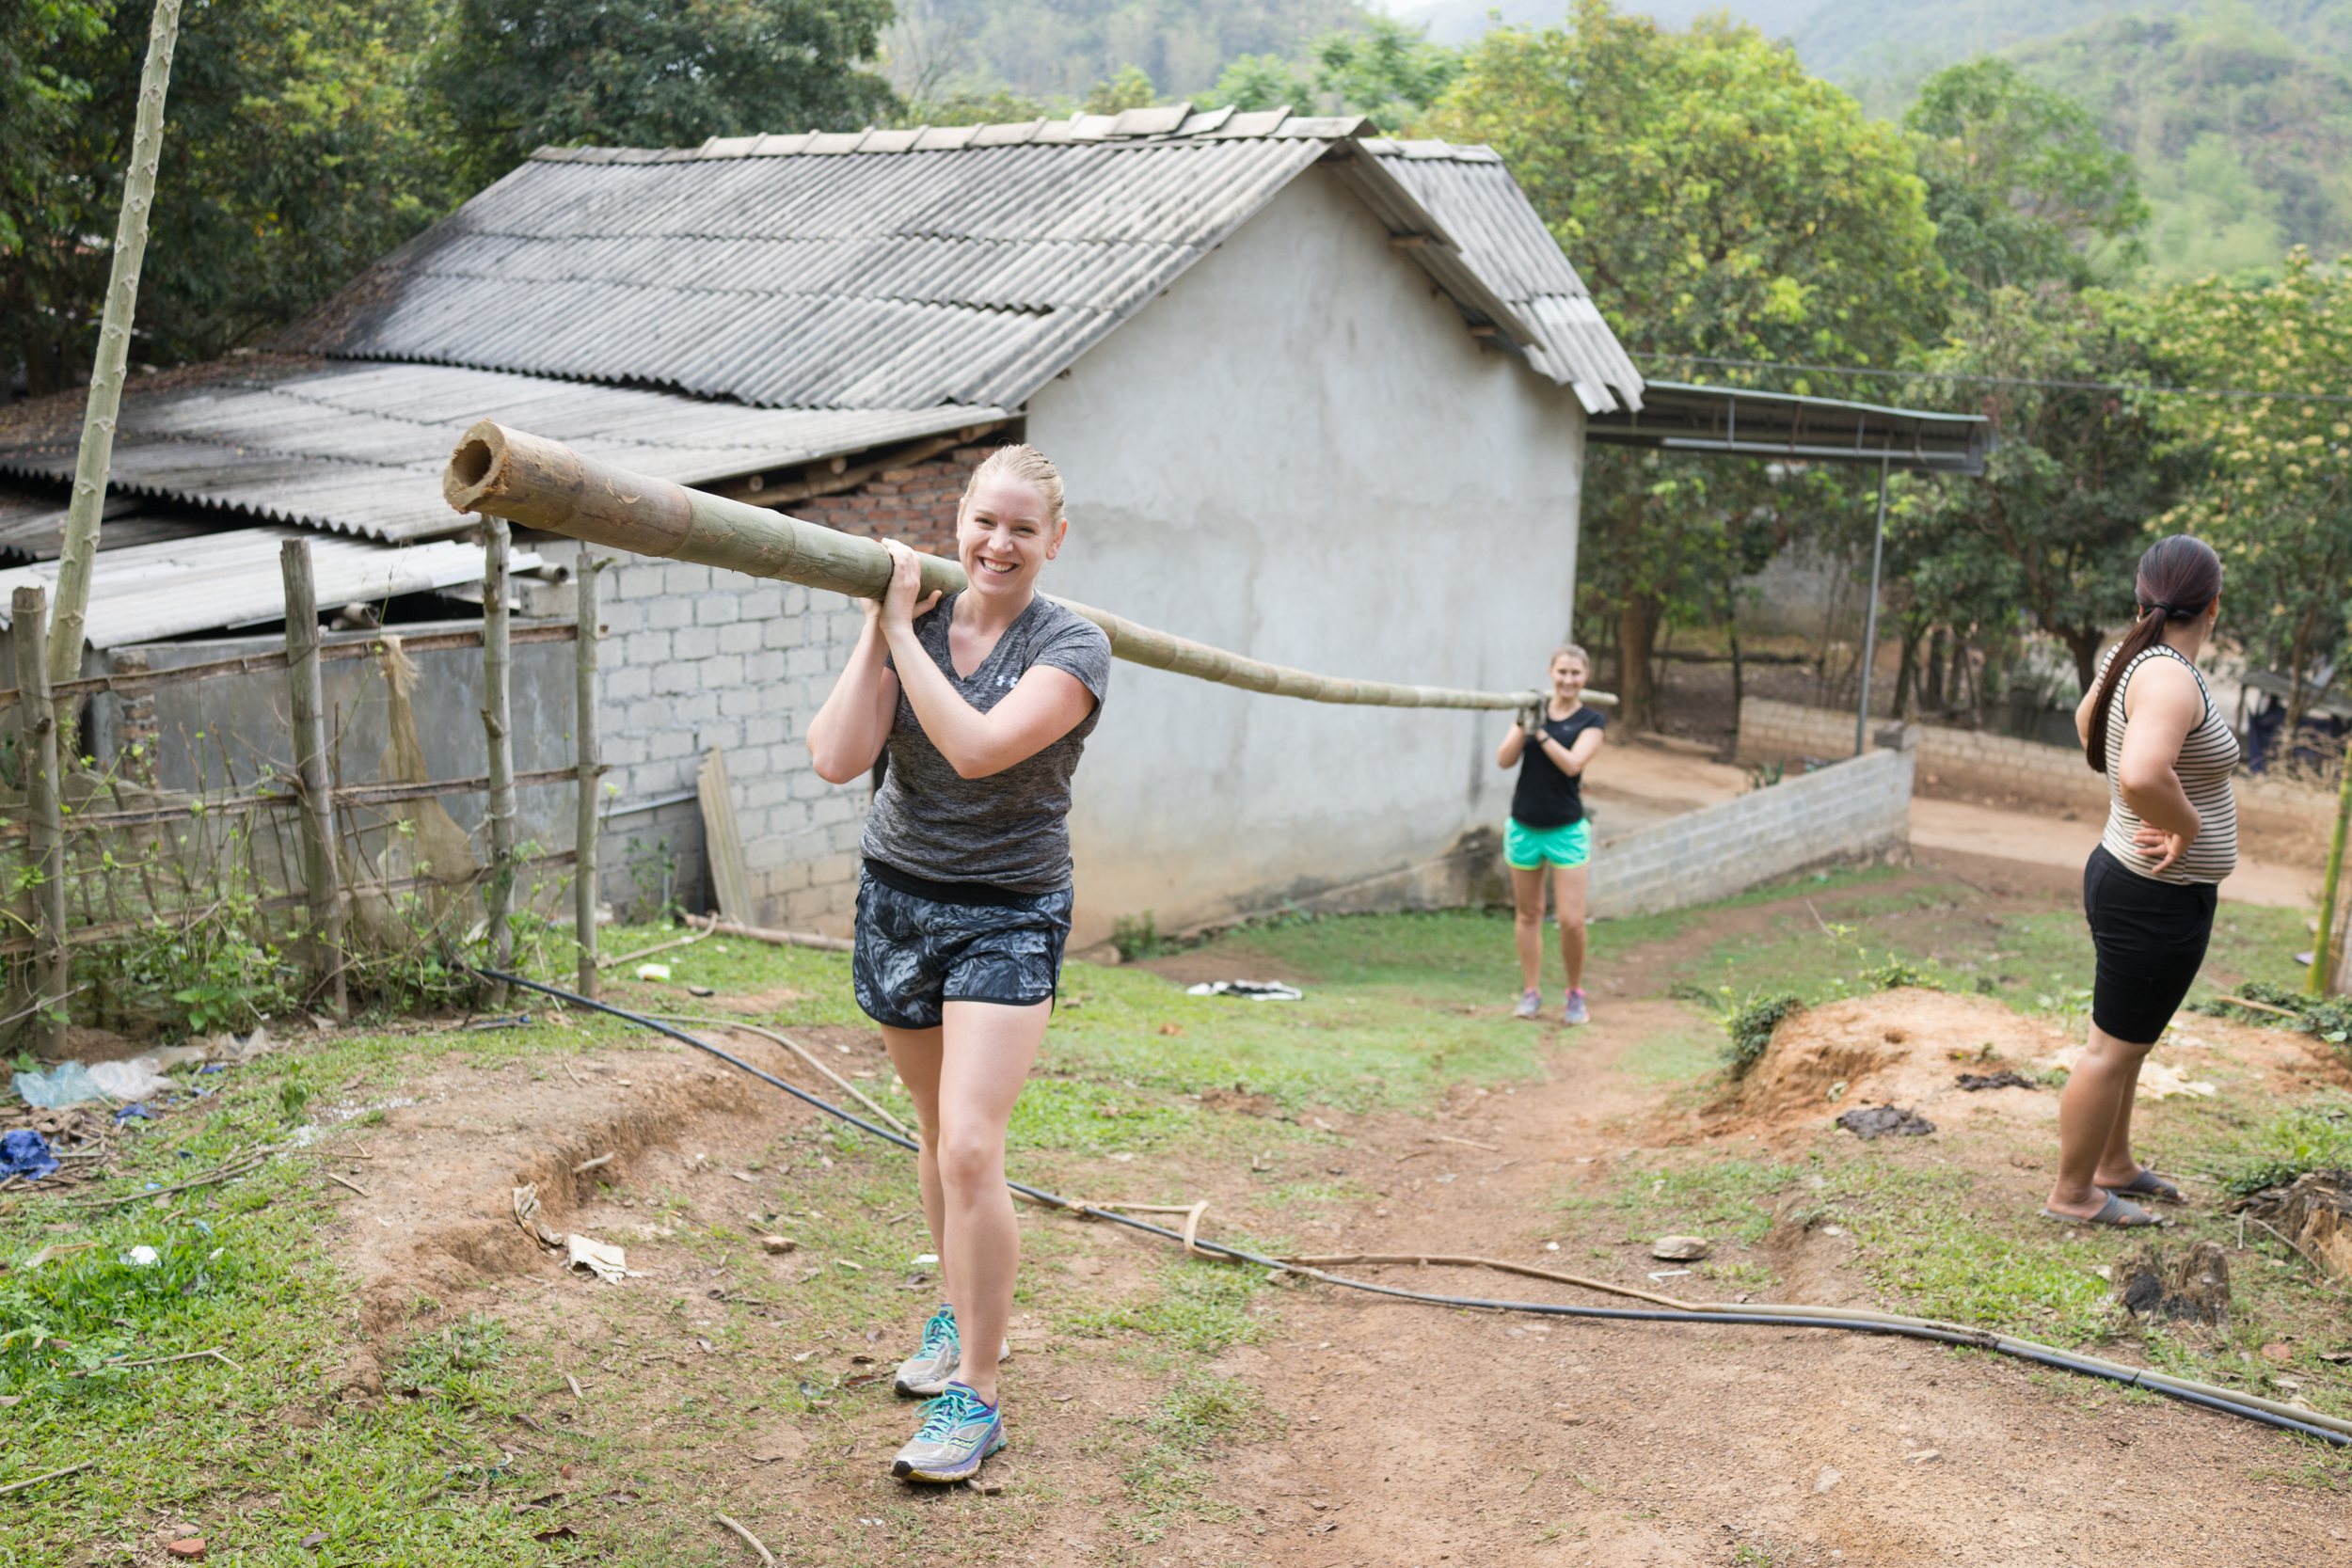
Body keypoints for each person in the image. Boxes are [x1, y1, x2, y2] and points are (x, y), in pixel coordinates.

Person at [805, 445, 1111, 1481]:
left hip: (1008, 911)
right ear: (958, 520)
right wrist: (875, 627)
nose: (999, 543)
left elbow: (979, 746)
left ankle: (976, 1393)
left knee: (975, 1145)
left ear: (1053, 540)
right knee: (936, 1136)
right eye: (985, 521)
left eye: (1023, 527)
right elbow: (839, 756)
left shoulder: (1073, 644)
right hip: (899, 897)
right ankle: (956, 1307)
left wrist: (900, 629)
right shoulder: (916, 623)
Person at [2042, 535, 2233, 1228]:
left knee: (2128, 1036)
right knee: (2109, 1050)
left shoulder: (2133, 658)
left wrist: (2150, 812)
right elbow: (2143, 773)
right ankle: (2073, 1193)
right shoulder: (2171, 677)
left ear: (2141, 597)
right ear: (2213, 605)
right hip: (2154, 892)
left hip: (2129, 875)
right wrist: (2183, 824)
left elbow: (2086, 721)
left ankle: (2113, 1163)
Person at [1497, 645, 1606, 1023]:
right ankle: (1530, 993)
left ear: (1585, 677)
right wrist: (1525, 725)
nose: (1568, 680)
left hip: (1566, 830)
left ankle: (1575, 993)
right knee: (1528, 914)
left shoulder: (1592, 721)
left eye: (1575, 673)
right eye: (1562, 672)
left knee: (1572, 921)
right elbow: (1504, 759)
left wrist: (1541, 732)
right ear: (1551, 672)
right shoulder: (1530, 711)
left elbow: (1573, 765)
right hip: (1524, 825)